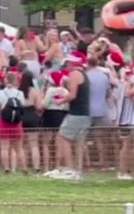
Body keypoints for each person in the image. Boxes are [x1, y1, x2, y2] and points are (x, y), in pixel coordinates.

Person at [53, 51, 91, 180]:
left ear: (71, 63)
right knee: (79, 142)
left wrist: (60, 100)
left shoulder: (74, 74)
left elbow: (73, 95)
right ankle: (78, 170)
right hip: (84, 113)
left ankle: (69, 169)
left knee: (63, 137)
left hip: (76, 113)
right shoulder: (84, 74)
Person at [0, 72, 27, 173]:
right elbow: (22, 106)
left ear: (5, 80)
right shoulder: (20, 93)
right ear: (16, 81)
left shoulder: (1, 93)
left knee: (4, 147)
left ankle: (7, 168)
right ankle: (24, 168)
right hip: (16, 123)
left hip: (4, 122)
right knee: (19, 148)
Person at [86, 57, 112, 168]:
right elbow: (108, 93)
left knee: (84, 136)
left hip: (88, 109)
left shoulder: (86, 76)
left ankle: (87, 161)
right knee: (101, 137)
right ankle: (103, 160)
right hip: (102, 109)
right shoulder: (104, 77)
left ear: (88, 64)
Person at [40, 71, 68, 173]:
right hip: (60, 116)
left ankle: (47, 167)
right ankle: (57, 166)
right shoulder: (65, 91)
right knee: (58, 142)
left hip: (49, 116)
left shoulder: (50, 90)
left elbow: (44, 104)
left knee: (46, 143)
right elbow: (67, 105)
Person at [18, 70, 42, 172]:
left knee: (21, 145)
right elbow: (39, 106)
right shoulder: (35, 91)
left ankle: (23, 167)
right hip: (32, 115)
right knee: (34, 144)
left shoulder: (18, 91)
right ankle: (36, 167)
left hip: (21, 116)